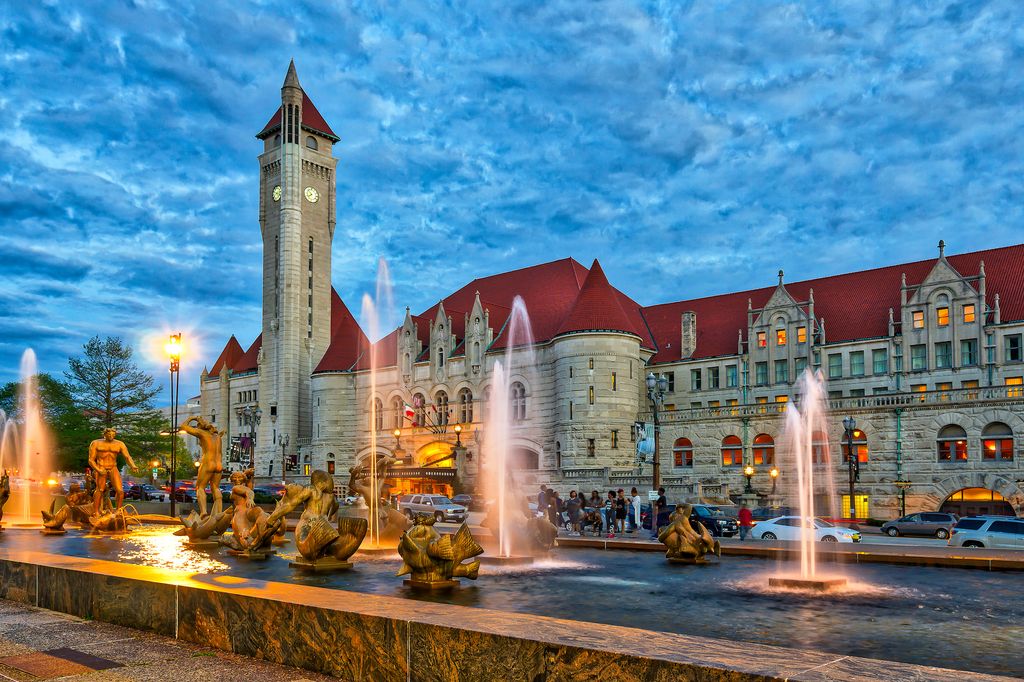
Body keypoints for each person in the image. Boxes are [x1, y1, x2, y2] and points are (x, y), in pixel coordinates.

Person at [87, 428, 137, 515]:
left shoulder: (120, 444)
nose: (111, 437)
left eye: (113, 435)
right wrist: (98, 470)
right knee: (100, 489)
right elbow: (91, 460)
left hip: (113, 467)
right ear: (105, 434)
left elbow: (127, 457)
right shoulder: (96, 443)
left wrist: (133, 465)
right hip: (101, 467)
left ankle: (118, 511)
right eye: (109, 435)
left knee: (120, 491)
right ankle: (95, 511)